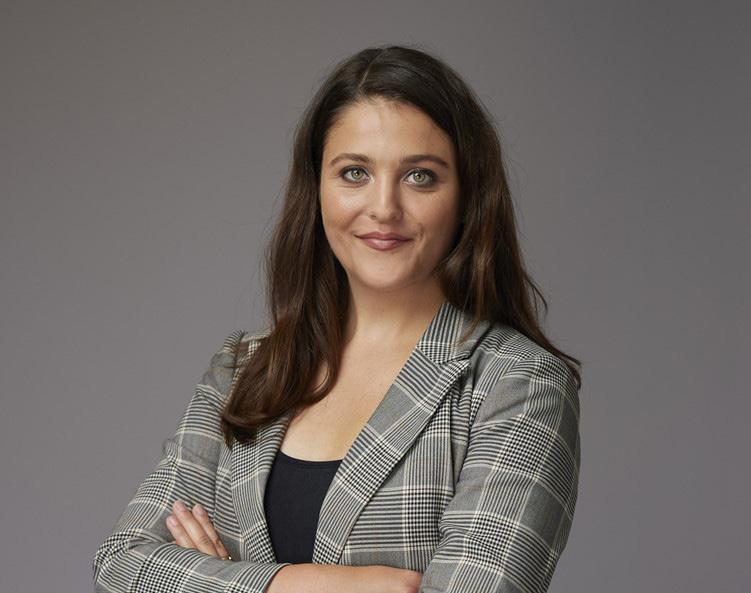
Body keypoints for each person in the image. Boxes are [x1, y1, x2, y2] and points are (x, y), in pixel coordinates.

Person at [92, 44, 582, 593]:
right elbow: (121, 567)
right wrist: (299, 585)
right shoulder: (244, 370)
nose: (384, 208)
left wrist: (216, 577)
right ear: (317, 188)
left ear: (468, 195)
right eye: (354, 173)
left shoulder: (517, 384)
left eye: (420, 177)